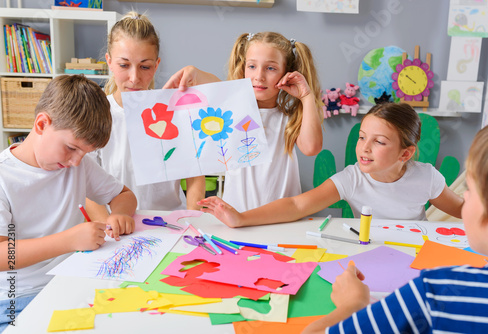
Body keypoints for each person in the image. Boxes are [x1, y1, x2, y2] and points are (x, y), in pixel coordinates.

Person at [303, 119, 488, 334]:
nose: (465, 198)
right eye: (361, 137)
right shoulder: (352, 177)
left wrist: (353, 304)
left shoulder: (432, 294)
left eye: (469, 189)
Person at [0, 75, 137, 332]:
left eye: (84, 153)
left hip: (74, 282)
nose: (76, 161)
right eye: (72, 148)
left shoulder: (77, 165)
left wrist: (118, 215)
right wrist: (68, 241)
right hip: (17, 298)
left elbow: (124, 195)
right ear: (42, 124)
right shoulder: (4, 177)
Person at [198, 102, 464, 227]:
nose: (364, 148)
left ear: (405, 155)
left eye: (379, 142)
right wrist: (241, 218)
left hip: (413, 253)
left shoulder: (426, 177)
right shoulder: (353, 178)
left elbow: (463, 211)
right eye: (362, 138)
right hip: (371, 251)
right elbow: (297, 205)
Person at [168, 31, 323, 212]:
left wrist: (306, 96)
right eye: (252, 66)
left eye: (270, 68)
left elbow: (311, 148)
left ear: (287, 73)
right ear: (243, 68)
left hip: (282, 220)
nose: (259, 76)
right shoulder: (234, 111)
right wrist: (194, 71)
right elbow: (215, 85)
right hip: (236, 218)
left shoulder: (288, 119)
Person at [86, 11, 206, 222]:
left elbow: (195, 174)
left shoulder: (174, 111)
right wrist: (108, 224)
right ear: (109, 62)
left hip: (169, 223)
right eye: (124, 65)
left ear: (156, 65)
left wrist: (193, 219)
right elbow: (85, 184)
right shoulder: (96, 114)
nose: (134, 78)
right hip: (114, 225)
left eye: (145, 66)